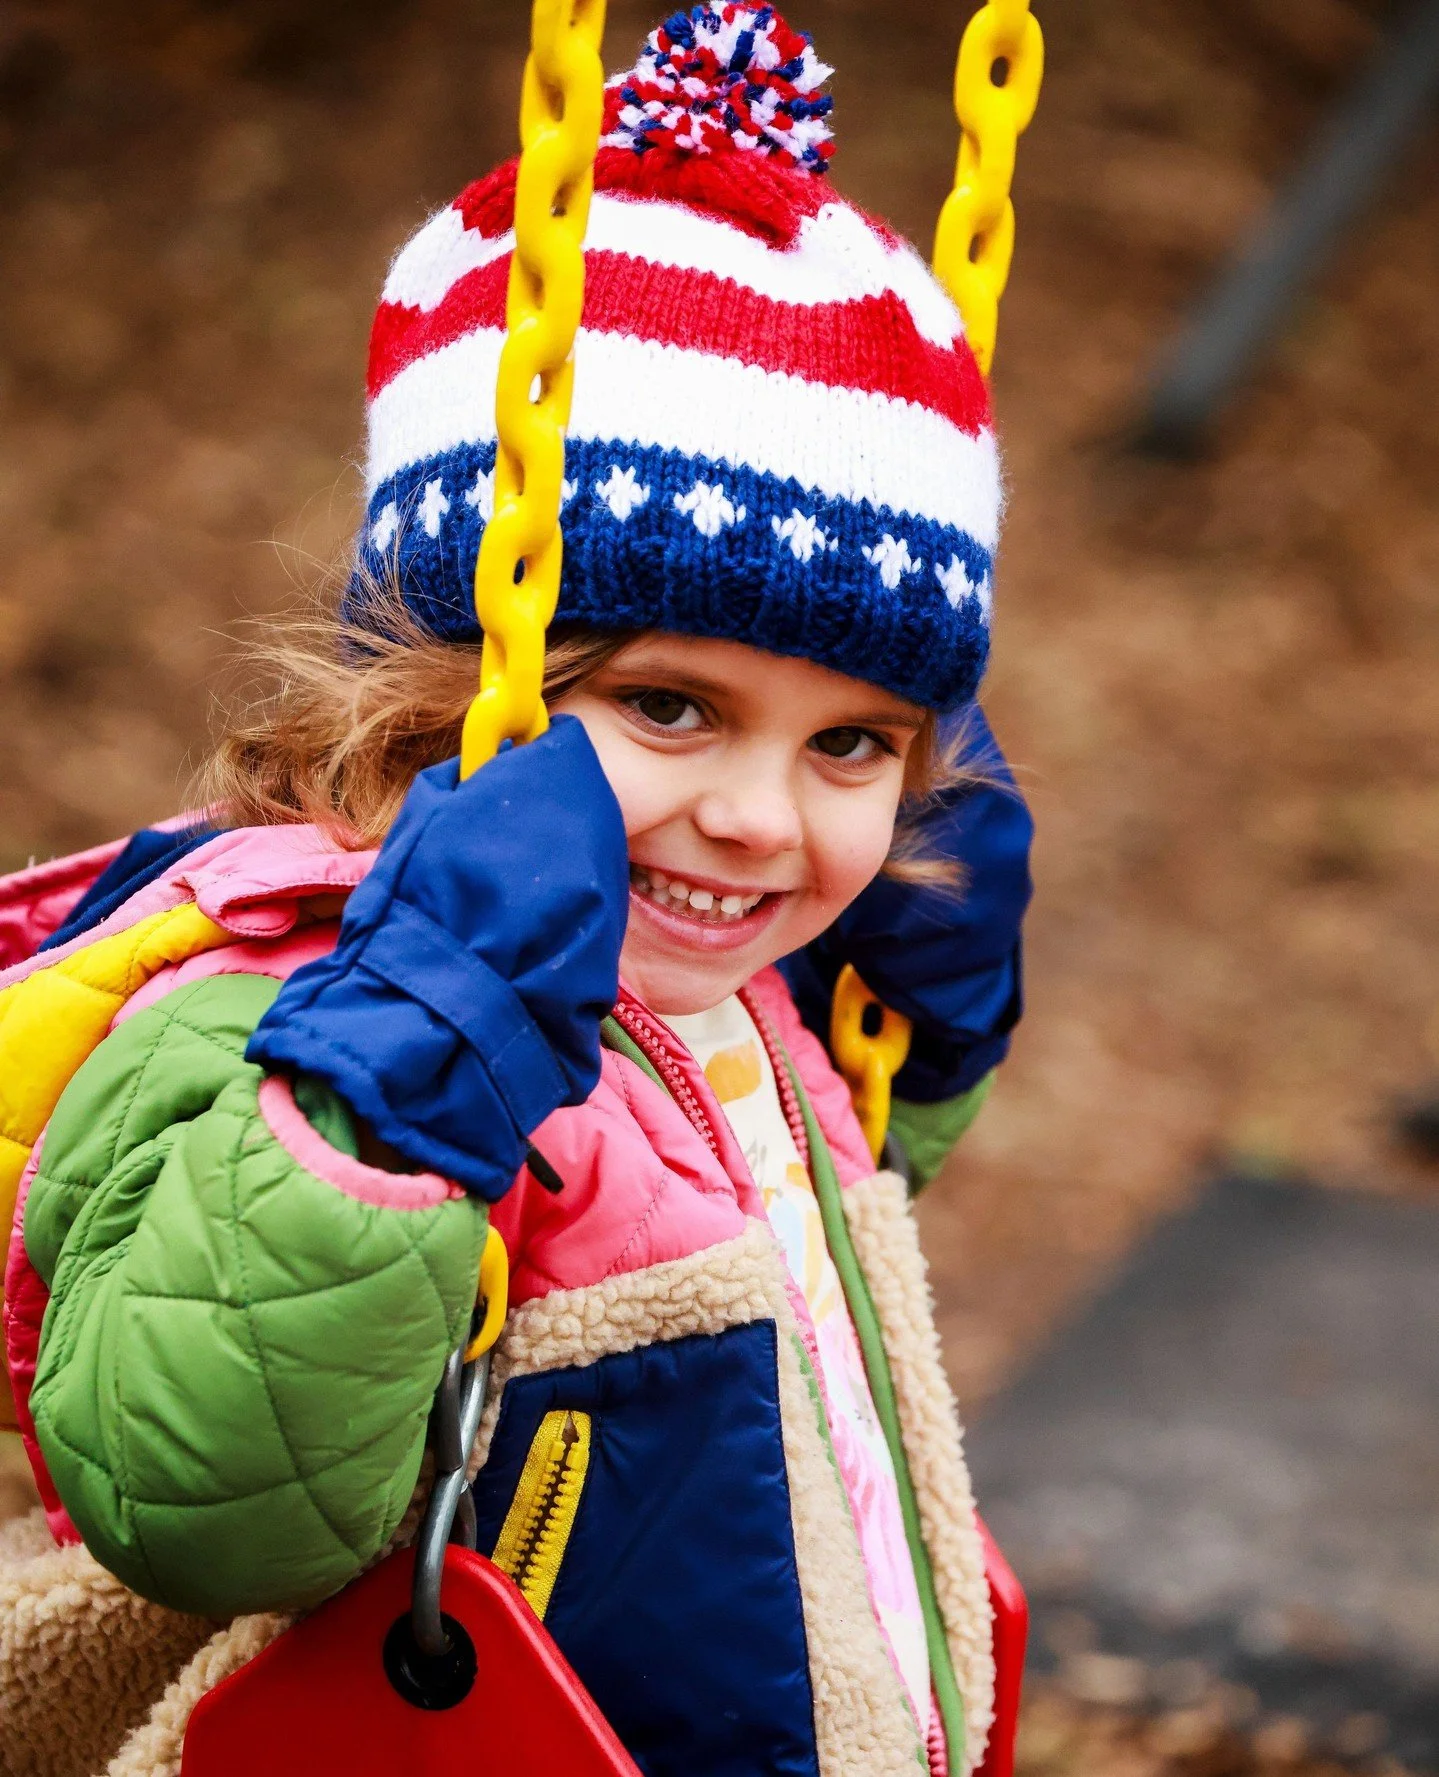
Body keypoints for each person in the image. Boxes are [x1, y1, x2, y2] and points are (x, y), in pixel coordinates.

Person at [0, 8, 1031, 1774]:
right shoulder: (289, 1005)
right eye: (668, 707)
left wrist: (928, 1045)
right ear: (444, 682)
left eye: (851, 744)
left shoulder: (736, 1001)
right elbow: (205, 1493)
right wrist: (398, 1083)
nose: (760, 819)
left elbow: (764, 1216)